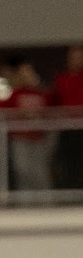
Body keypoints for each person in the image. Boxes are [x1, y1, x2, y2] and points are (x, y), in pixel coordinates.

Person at [6, 61, 50, 192]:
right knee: (22, 169)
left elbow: (51, 110)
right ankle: (25, 198)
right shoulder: (16, 93)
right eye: (23, 73)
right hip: (20, 138)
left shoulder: (41, 93)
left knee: (39, 169)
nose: (26, 76)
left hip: (38, 138)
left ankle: (44, 197)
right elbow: (7, 112)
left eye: (29, 72)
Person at [51, 44, 83, 189]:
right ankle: (70, 190)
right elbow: (55, 101)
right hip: (67, 129)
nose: (76, 60)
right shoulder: (62, 78)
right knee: (68, 161)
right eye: (73, 57)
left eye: (79, 57)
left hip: (81, 127)